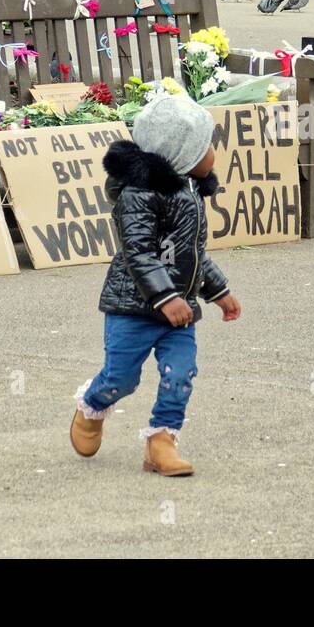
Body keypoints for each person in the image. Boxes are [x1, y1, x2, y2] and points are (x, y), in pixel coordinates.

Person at [69, 94, 242, 476]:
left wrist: (219, 291)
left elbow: (192, 255)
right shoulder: (139, 196)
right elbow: (138, 253)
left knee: (180, 374)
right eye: (206, 145)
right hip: (133, 309)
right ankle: (92, 407)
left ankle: (162, 440)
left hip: (178, 315)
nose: (213, 153)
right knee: (121, 378)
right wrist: (165, 297)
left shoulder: (190, 191)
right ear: (181, 152)